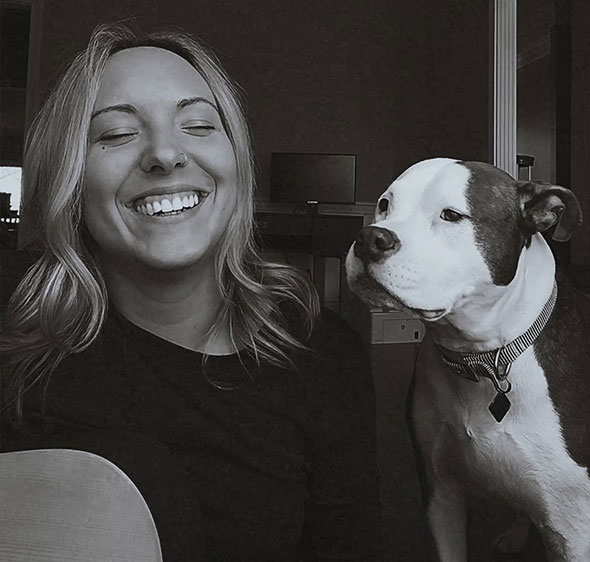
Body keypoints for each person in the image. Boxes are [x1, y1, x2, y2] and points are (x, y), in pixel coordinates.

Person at [1, 23, 382, 561]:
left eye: (198, 125)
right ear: (70, 176)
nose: (165, 154)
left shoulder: (324, 358)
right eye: (115, 134)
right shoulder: (13, 317)